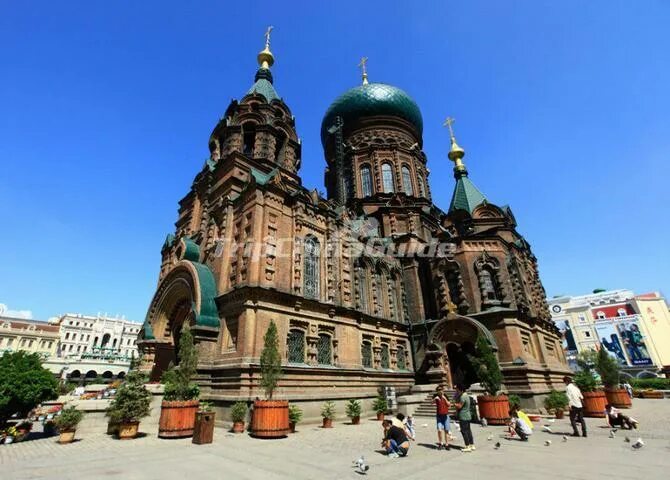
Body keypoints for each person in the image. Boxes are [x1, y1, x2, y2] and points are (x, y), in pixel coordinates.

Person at [454, 384, 475, 452]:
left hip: (463, 416)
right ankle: (472, 445)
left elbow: (459, 406)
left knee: (464, 431)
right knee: (468, 431)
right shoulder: (466, 395)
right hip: (468, 415)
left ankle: (467, 445)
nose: (457, 391)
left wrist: (454, 404)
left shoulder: (463, 396)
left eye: (457, 389)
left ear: (461, 390)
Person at [433, 385, 451, 450]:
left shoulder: (445, 396)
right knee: (439, 430)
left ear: (443, 390)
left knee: (446, 430)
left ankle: (447, 444)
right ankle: (441, 443)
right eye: (438, 390)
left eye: (441, 390)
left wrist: (444, 398)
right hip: (439, 416)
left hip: (446, 416)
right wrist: (435, 399)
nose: (440, 391)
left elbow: (449, 405)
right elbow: (431, 403)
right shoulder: (436, 396)